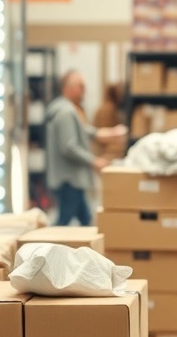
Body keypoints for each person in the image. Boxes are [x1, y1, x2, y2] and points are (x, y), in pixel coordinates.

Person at [45, 70, 125, 226]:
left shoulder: (67, 110)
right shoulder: (65, 113)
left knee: (84, 219)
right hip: (69, 179)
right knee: (63, 222)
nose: (84, 91)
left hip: (72, 179)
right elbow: (69, 147)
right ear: (69, 88)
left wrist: (105, 134)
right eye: (81, 86)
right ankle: (46, 248)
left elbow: (81, 130)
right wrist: (94, 161)